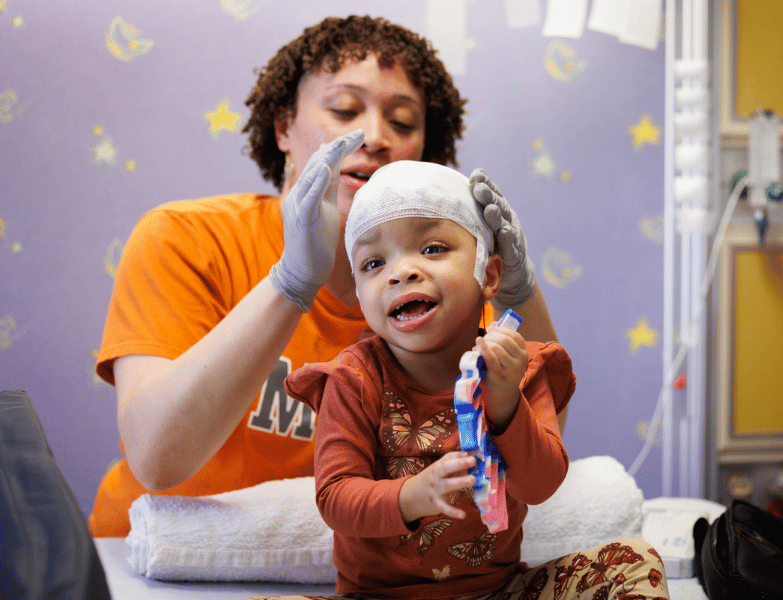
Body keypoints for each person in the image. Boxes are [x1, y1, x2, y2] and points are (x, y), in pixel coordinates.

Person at [88, 15, 559, 538]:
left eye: (403, 123)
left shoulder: (447, 282)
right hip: (157, 565)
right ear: (283, 127)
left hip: (353, 568)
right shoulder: (184, 240)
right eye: (344, 110)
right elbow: (156, 458)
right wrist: (290, 283)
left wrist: (518, 291)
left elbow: (538, 455)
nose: (376, 137)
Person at [280, 160, 669, 600]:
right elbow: (335, 498)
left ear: (489, 276)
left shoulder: (519, 365)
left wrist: (506, 405)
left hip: (500, 592)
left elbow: (540, 487)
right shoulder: (352, 380)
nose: (400, 271)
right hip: (377, 597)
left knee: (635, 564)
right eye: (373, 262)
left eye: (431, 250)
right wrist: (412, 495)